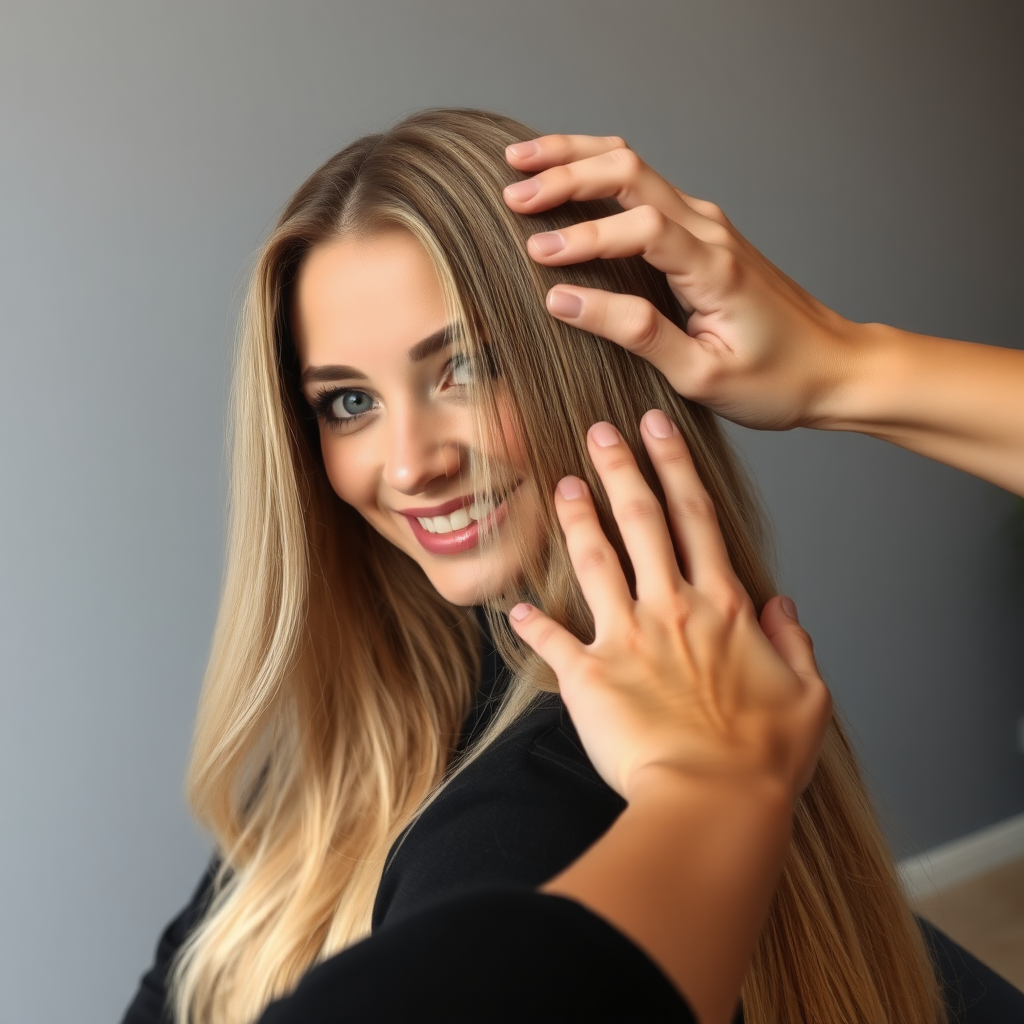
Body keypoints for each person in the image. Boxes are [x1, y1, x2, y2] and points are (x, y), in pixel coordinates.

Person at [122, 109, 972, 1024]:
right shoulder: (363, 739)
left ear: (588, 357)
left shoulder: (534, 797)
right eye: (349, 401)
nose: (410, 465)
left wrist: (839, 366)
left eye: (467, 367)